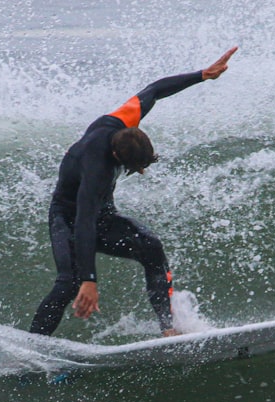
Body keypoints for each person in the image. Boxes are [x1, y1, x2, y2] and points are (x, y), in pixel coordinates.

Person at [29, 47, 238, 337]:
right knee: (69, 284)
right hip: (68, 217)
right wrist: (90, 280)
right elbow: (84, 221)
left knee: (151, 248)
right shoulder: (96, 169)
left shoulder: (123, 121)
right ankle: (34, 345)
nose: (139, 171)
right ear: (116, 155)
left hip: (102, 213)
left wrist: (202, 75)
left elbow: (154, 90)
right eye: (134, 166)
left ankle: (167, 328)